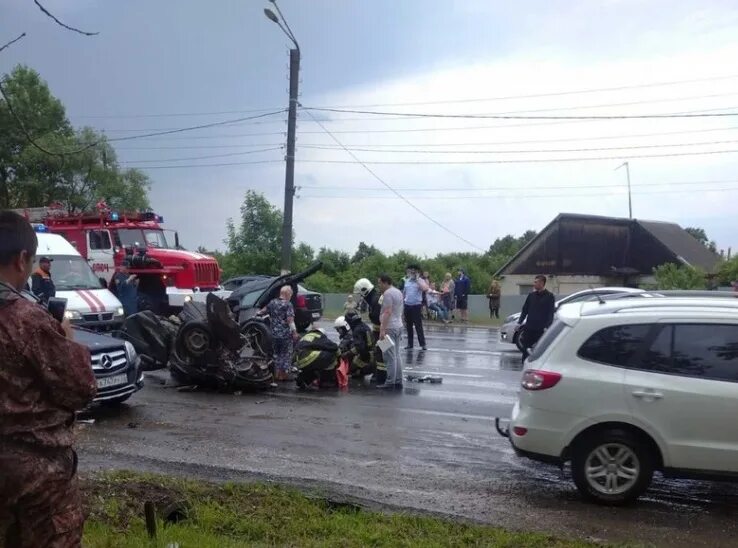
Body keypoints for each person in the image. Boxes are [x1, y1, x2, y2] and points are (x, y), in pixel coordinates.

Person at [0, 211, 97, 548]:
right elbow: (82, 388)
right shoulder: (26, 319)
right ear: (22, 259)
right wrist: (67, 341)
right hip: (37, 480)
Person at [353, 278, 387, 384]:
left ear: (365, 291)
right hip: (379, 331)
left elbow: (378, 318)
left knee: (382, 353)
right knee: (380, 353)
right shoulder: (374, 299)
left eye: (361, 294)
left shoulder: (375, 300)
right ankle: (379, 375)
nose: (361, 297)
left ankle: (380, 377)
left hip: (382, 332)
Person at [516, 275, 556, 362]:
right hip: (529, 328)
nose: (534, 284)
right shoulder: (531, 296)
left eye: (536, 282)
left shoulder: (549, 296)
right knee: (525, 349)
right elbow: (525, 310)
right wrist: (519, 322)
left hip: (541, 329)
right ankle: (525, 365)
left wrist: (547, 327)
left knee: (539, 350)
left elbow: (550, 313)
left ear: (542, 283)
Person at [265, 285, 299, 382]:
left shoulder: (272, 302)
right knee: (285, 354)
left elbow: (263, 311)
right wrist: (295, 332)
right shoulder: (288, 304)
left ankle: (275, 375)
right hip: (285, 334)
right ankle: (282, 376)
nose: (291, 296)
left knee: (276, 354)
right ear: (287, 293)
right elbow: (290, 320)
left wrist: (256, 314)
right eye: (291, 294)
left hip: (274, 334)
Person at [377, 273, 404, 389]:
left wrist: (382, 330)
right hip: (398, 325)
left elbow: (387, 312)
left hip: (389, 327)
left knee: (389, 356)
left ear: (385, 282)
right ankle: (398, 379)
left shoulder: (387, 294)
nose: (379, 286)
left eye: (379, 283)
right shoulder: (398, 292)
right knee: (397, 354)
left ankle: (389, 381)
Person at [402, 264, 429, 350]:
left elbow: (425, 289)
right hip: (407, 305)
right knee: (408, 326)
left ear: (418, 272)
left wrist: (417, 280)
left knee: (418, 325)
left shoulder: (420, 280)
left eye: (414, 271)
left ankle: (422, 344)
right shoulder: (407, 280)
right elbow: (404, 293)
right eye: (411, 271)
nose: (412, 272)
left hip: (416, 306)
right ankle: (410, 344)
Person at [344, 310, 377, 378]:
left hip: (369, 358)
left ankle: (361, 371)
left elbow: (359, 348)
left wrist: (346, 354)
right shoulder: (364, 326)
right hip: (374, 355)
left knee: (351, 369)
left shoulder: (357, 330)